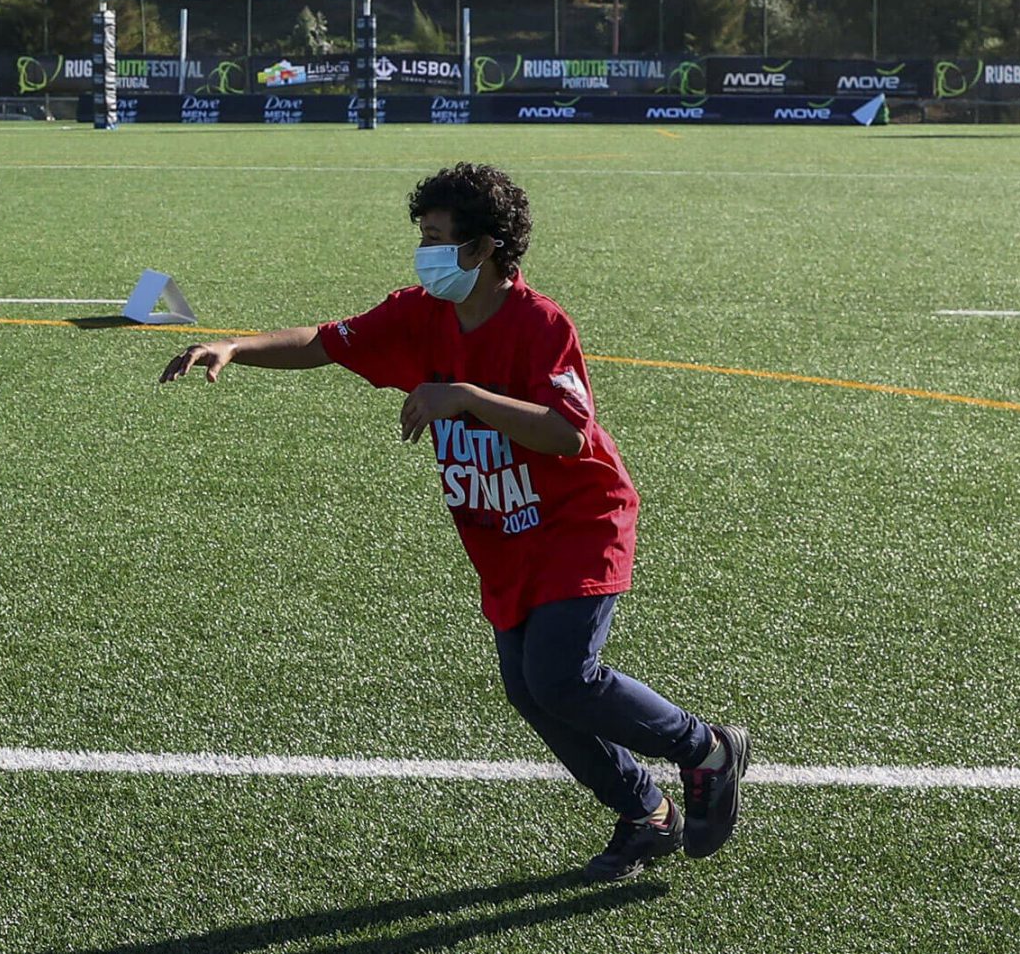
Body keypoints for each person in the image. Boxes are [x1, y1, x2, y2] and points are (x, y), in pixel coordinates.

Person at [158, 162, 748, 882]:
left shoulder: (540, 324)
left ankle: (708, 751)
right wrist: (236, 348)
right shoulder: (419, 314)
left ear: (484, 248)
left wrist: (462, 395)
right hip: (503, 537)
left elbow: (568, 433)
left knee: (562, 676)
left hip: (578, 521)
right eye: (423, 236)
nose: (424, 252)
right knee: (530, 689)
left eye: (438, 237)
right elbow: (325, 341)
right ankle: (645, 813)